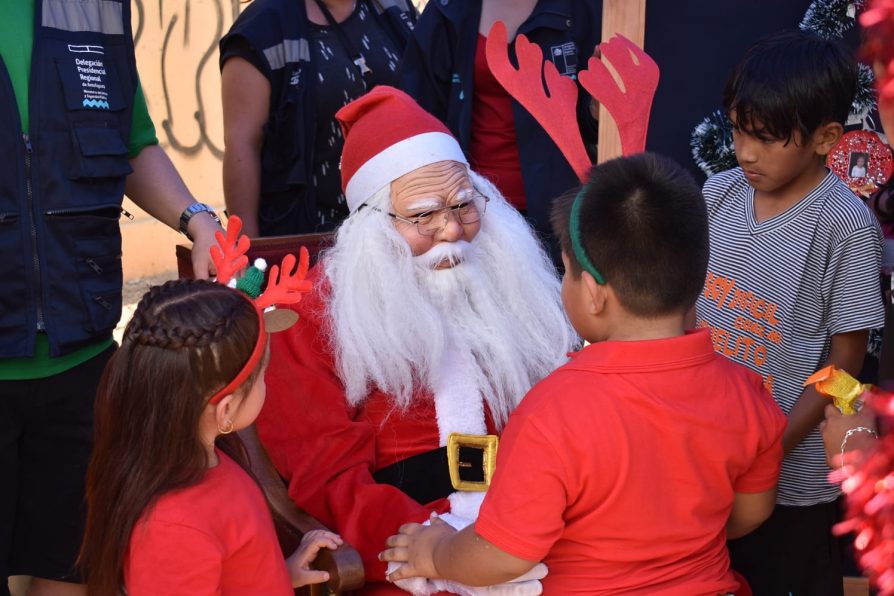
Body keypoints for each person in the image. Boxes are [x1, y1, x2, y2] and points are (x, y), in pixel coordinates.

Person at [379, 152, 787, 594]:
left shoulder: (552, 412)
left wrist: (436, 551)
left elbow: (504, 554)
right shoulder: (746, 391)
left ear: (593, 294)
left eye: (567, 272)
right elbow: (751, 512)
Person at [256, 85, 577, 594]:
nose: (451, 230)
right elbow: (329, 480)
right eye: (424, 215)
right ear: (371, 227)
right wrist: (443, 553)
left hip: (530, 525)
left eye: (463, 205)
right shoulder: (311, 314)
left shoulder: (510, 276)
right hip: (406, 548)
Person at [0, 3, 221, 595]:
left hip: (83, 364)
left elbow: (133, 143)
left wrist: (197, 219)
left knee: (71, 572)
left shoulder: (94, 9)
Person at [693, 30, 886, 595]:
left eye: (768, 138)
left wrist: (772, 447)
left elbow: (846, 364)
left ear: (826, 138)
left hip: (789, 484)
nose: (745, 152)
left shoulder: (843, 224)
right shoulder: (718, 194)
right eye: (737, 130)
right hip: (705, 464)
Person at [78, 279, 341, 595]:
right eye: (262, 374)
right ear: (226, 409)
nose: (266, 384)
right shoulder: (173, 528)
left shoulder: (211, 460)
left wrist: (280, 575)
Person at [399, 0, 601, 261]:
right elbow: (419, 114)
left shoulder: (584, 9)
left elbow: (595, 126)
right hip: (475, 214)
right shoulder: (447, 11)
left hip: (563, 212)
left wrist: (596, 109)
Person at [220, 0, 416, 237]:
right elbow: (243, 144)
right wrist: (247, 249)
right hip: (317, 239)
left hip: (407, 228)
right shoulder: (262, 28)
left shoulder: (393, 5)